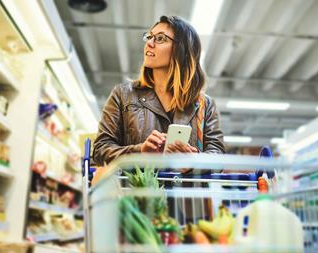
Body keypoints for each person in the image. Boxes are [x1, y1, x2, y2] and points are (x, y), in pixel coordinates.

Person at [93, 15, 225, 168]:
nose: (149, 43)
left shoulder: (204, 104)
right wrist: (140, 152)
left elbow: (218, 157)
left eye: (160, 38)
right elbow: (99, 150)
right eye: (149, 37)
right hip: (137, 192)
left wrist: (192, 162)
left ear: (182, 50)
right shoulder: (123, 95)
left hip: (185, 192)